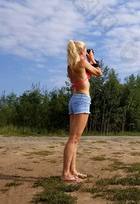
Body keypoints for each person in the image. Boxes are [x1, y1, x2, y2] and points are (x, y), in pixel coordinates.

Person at [62, 40, 102, 183]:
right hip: (82, 100)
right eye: (85, 51)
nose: (86, 53)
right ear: (81, 51)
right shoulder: (82, 62)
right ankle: (65, 174)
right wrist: (92, 60)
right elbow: (99, 72)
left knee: (75, 139)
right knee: (73, 139)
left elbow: (82, 73)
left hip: (74, 99)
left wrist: (88, 59)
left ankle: (73, 170)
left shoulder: (70, 65)